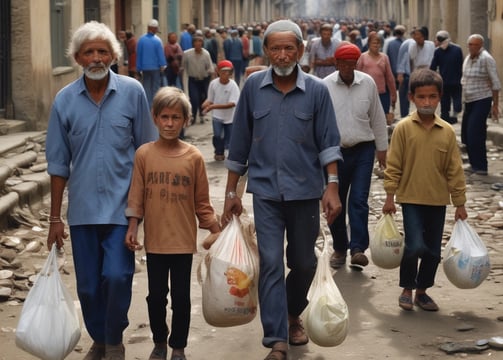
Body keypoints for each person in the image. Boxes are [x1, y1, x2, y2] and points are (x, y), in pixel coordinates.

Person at [221, 19, 343, 360]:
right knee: (271, 262)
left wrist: (331, 187)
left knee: (303, 262)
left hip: (306, 191)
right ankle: (276, 338)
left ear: (301, 51)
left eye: (290, 47)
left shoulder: (317, 91)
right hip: (266, 193)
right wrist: (231, 194)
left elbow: (329, 144)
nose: (283, 54)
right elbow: (239, 144)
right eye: (275, 48)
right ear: (266, 52)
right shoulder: (253, 87)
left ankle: (292, 313)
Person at [45, 21, 158, 360]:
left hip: (123, 208)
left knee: (118, 275)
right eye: (89, 52)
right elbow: (57, 164)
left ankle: (113, 338)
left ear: (114, 55)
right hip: (81, 211)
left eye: (103, 51)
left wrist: (145, 210)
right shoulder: (64, 101)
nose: (96, 58)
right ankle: (100, 337)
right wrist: (54, 218)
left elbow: (146, 151)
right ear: (77, 58)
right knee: (89, 287)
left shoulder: (133, 92)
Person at [125, 86, 220, 360]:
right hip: (154, 242)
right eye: (164, 117)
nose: (169, 123)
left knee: (181, 298)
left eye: (175, 118)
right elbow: (137, 196)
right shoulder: (144, 154)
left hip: (182, 242)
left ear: (185, 120)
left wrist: (216, 230)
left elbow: (202, 201)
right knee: (156, 297)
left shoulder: (194, 157)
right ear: (155, 118)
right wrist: (133, 226)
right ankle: (159, 341)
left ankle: (178, 345)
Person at [382, 68, 468, 312]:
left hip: (438, 201)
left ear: (440, 97)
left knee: (432, 251)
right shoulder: (403, 129)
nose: (427, 102)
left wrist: (460, 203)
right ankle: (407, 287)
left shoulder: (447, 132)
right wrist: (390, 196)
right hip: (410, 199)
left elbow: (454, 170)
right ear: (411, 98)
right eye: (421, 97)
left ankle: (422, 291)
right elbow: (394, 164)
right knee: (414, 246)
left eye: (432, 97)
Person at [323, 43, 388, 269]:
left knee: (359, 200)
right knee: (336, 202)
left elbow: (378, 118)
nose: (348, 68)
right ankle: (340, 247)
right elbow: (319, 123)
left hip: (363, 149)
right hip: (335, 153)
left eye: (352, 63)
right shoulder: (325, 86)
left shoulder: (367, 83)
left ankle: (358, 248)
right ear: (337, 64)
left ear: (357, 64)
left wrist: (382, 149)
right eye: (343, 63)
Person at [461, 34, 501, 176]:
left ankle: (481, 166)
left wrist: (495, 105)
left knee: (475, 133)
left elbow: (495, 83)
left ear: (481, 45)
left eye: (475, 45)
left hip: (482, 99)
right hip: (469, 100)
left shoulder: (486, 59)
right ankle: (473, 163)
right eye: (470, 45)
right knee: (466, 134)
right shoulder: (468, 58)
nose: (472, 47)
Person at [202, 60, 240, 161]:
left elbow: (232, 104)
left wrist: (212, 107)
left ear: (231, 73)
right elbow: (210, 99)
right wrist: (205, 105)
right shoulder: (213, 84)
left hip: (230, 117)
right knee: (218, 135)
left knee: (229, 137)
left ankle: (229, 152)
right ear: (218, 72)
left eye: (228, 72)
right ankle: (218, 152)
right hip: (217, 116)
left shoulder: (233, 86)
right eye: (223, 72)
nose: (225, 74)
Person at [356, 31, 397, 115]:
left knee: (382, 117)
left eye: (378, 43)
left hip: (382, 94)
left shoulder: (384, 57)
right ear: (369, 44)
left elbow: (389, 77)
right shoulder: (363, 57)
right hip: (366, 93)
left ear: (380, 45)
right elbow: (357, 75)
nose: (376, 45)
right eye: (373, 43)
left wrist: (393, 94)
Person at [430, 30, 463, 124]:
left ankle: (445, 117)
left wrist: (432, 78)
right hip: (456, 79)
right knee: (456, 97)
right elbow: (461, 64)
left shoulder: (438, 51)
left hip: (444, 80)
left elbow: (433, 67)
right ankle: (454, 114)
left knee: (445, 100)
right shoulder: (457, 49)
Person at [181, 35, 214, 126]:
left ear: (202, 44)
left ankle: (202, 114)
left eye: (200, 42)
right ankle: (193, 116)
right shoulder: (187, 54)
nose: (198, 45)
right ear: (193, 44)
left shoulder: (206, 54)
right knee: (194, 98)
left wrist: (211, 77)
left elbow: (210, 67)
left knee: (203, 98)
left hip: (204, 79)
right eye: (196, 43)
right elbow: (183, 67)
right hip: (193, 80)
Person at [136, 19, 167, 107]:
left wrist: (138, 68)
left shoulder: (141, 40)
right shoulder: (157, 40)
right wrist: (162, 65)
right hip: (155, 68)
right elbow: (160, 55)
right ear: (155, 29)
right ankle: (154, 106)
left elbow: (139, 54)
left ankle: (147, 106)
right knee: (155, 88)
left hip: (145, 68)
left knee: (146, 87)